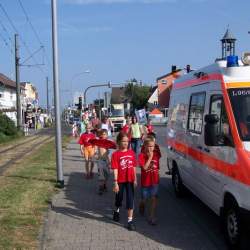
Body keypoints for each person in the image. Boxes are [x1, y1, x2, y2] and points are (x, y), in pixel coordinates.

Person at [111, 131, 137, 231]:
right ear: (118, 142)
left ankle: (130, 221)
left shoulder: (132, 153)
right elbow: (115, 169)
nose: (126, 143)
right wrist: (115, 182)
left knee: (130, 199)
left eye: (127, 141)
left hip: (130, 180)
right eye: (123, 141)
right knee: (119, 198)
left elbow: (134, 167)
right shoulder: (115, 155)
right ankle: (116, 211)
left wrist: (135, 179)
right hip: (120, 180)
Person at [138, 136, 161, 225]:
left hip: (154, 182)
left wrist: (158, 176)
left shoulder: (156, 155)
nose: (151, 148)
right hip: (145, 182)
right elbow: (144, 167)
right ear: (145, 146)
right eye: (149, 146)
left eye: (152, 146)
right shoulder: (141, 156)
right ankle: (142, 204)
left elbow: (158, 167)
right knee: (144, 199)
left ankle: (152, 216)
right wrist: (150, 157)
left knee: (154, 198)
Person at [97, 129, 110, 195]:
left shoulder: (108, 143)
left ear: (107, 135)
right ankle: (100, 188)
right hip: (100, 161)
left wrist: (109, 161)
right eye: (102, 134)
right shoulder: (99, 142)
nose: (103, 135)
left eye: (105, 134)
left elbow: (108, 153)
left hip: (106, 161)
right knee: (101, 175)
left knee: (107, 174)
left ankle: (104, 184)